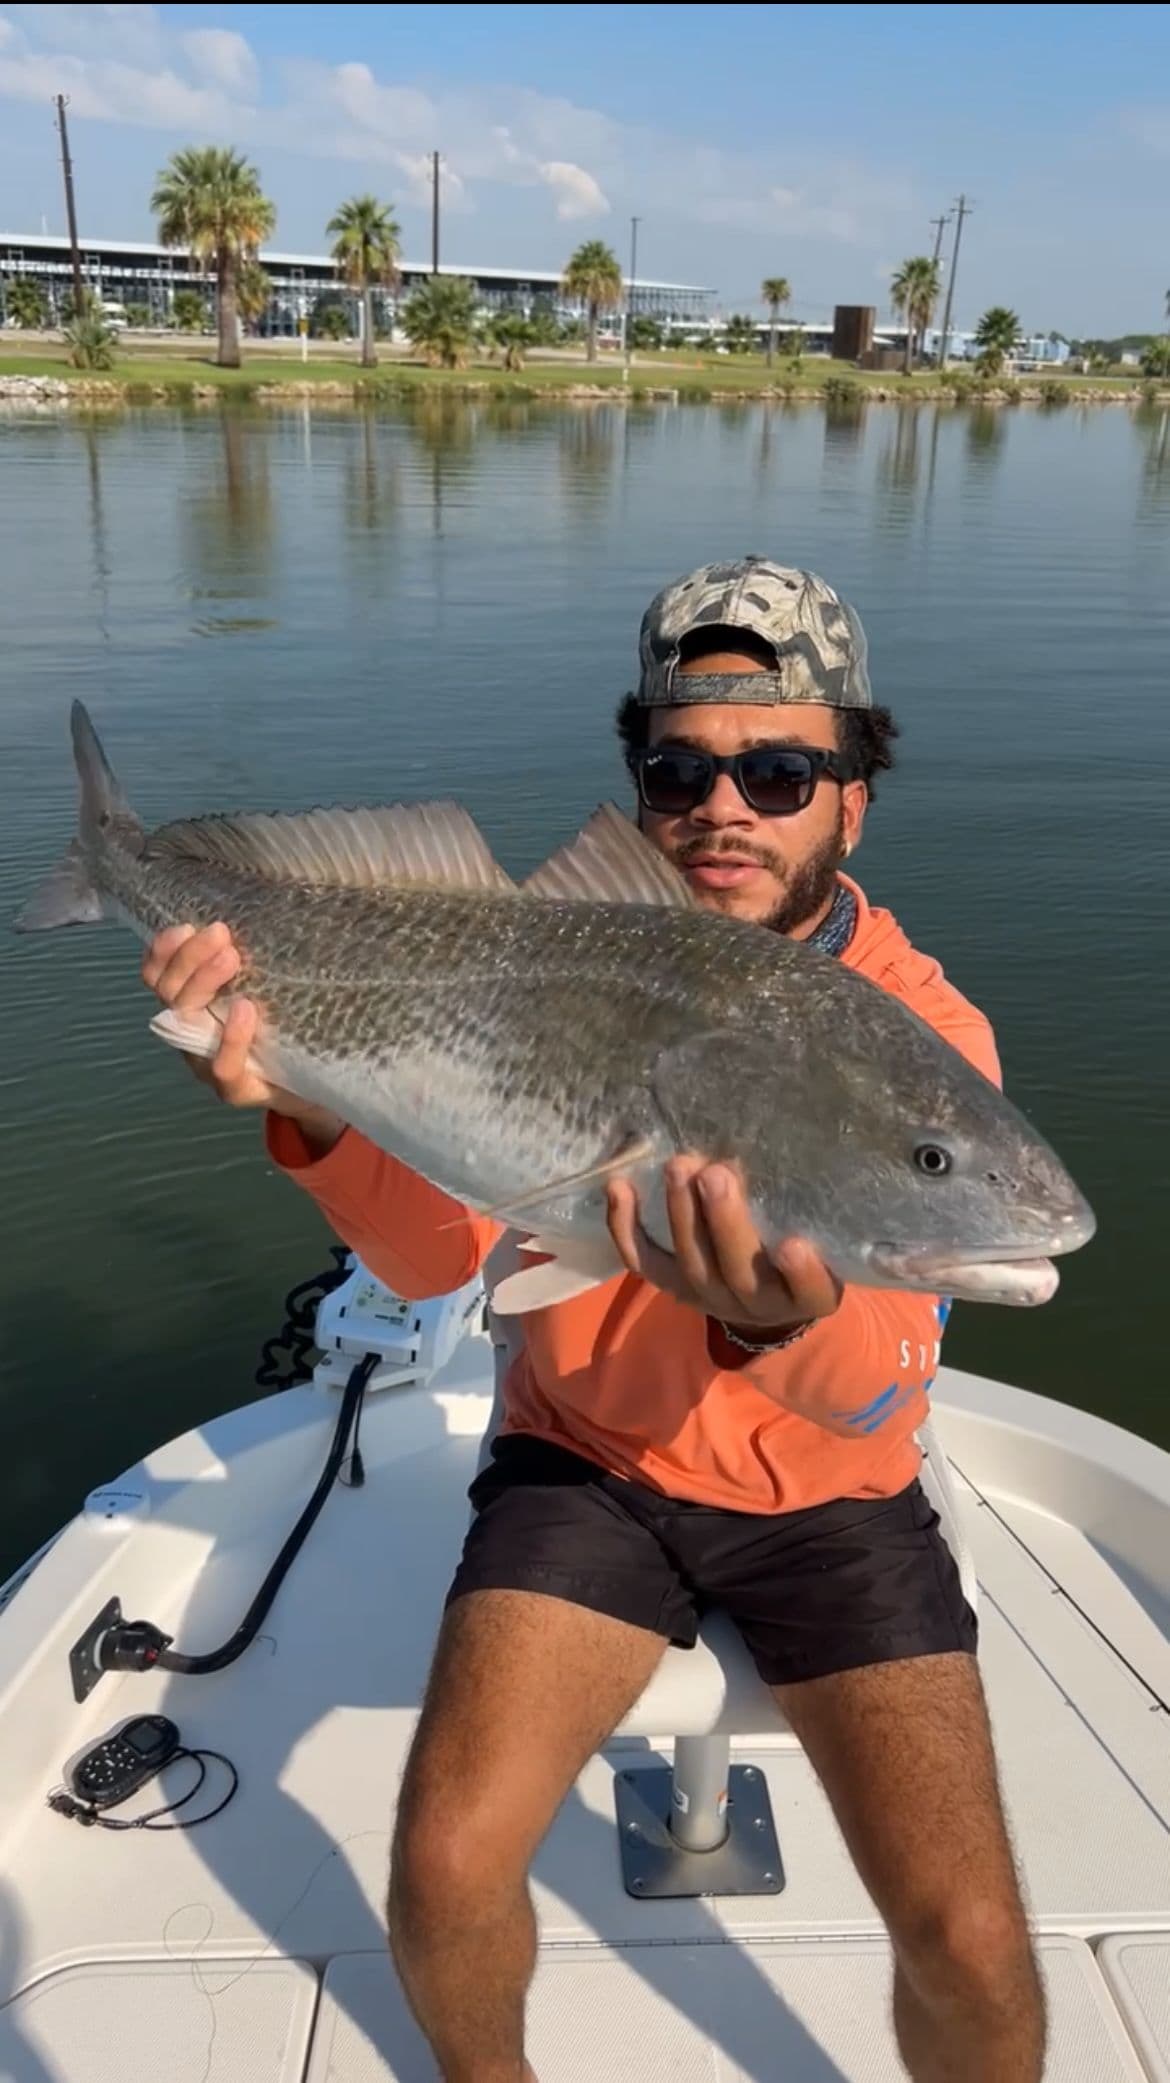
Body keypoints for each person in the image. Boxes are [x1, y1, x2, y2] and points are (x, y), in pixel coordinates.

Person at [142, 556, 1044, 2083]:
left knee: (971, 1940)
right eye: (679, 772)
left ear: (850, 800)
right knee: (443, 1863)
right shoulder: (546, 960)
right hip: (587, 1467)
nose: (723, 809)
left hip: (832, 1505)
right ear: (639, 792)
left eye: (776, 772)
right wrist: (308, 1103)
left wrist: (769, 1330)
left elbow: (869, 1402)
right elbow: (434, 1265)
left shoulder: (919, 1036)